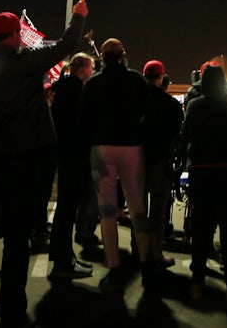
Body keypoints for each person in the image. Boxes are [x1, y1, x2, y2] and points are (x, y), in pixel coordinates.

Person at [0, 0, 88, 328]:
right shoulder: (25, 64)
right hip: (20, 165)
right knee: (16, 238)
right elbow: (66, 44)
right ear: (14, 36)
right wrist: (78, 17)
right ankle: (11, 309)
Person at [79, 38, 156, 293]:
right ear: (123, 55)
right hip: (131, 146)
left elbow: (85, 118)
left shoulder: (93, 83)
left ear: (102, 56)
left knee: (107, 210)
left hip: (102, 146)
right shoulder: (135, 80)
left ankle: (114, 266)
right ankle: (146, 264)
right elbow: (148, 111)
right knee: (137, 208)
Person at [178, 64, 227, 302]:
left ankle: (197, 283)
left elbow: (184, 136)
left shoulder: (194, 106)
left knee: (201, 229)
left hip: (200, 171)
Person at [47, 52, 97, 280]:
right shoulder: (76, 91)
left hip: (65, 155)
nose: (93, 72)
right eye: (91, 67)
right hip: (74, 157)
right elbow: (81, 125)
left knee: (65, 210)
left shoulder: (63, 89)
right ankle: (63, 261)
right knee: (67, 210)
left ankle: (62, 255)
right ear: (83, 69)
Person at [141, 59, 184, 268]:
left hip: (137, 160)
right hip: (160, 159)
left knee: (138, 209)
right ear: (161, 77)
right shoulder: (171, 105)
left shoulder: (135, 101)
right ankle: (155, 253)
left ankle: (138, 249)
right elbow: (177, 133)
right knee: (158, 210)